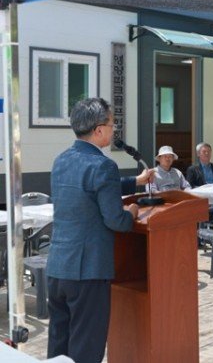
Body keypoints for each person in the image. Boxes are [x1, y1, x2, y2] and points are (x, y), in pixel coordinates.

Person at [47, 98, 139, 362]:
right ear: (98, 130)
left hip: (57, 268)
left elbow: (86, 189)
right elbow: (116, 221)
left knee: (59, 348)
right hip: (88, 272)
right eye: (112, 124)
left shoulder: (61, 160)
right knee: (86, 350)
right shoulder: (103, 165)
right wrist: (131, 213)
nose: (114, 130)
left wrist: (135, 181)